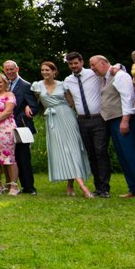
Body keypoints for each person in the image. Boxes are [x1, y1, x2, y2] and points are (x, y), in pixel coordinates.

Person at [92, 55, 135, 199]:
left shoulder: (120, 76)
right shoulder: (106, 77)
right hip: (113, 120)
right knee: (123, 156)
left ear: (103, 63)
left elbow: (128, 98)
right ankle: (134, 189)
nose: (92, 68)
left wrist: (125, 120)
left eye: (94, 64)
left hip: (125, 119)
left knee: (131, 154)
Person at [33, 61, 93, 197]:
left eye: (47, 70)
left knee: (73, 150)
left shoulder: (63, 85)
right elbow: (35, 104)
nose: (44, 72)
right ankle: (73, 184)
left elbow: (71, 103)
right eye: (42, 70)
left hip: (67, 118)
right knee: (63, 151)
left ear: (54, 72)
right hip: (52, 120)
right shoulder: (37, 86)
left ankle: (78, 185)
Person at [64, 52, 112, 197]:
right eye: (70, 64)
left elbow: (111, 69)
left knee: (100, 151)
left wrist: (119, 66)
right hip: (82, 120)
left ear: (81, 62)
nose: (73, 66)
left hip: (99, 118)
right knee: (91, 153)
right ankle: (98, 187)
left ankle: (104, 188)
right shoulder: (68, 81)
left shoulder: (94, 74)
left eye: (75, 63)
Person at [2, 60, 40, 194]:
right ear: (4, 71)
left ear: (17, 69)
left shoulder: (25, 86)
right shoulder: (4, 86)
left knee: (23, 157)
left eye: (11, 69)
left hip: (21, 127)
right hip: (5, 128)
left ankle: (29, 187)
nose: (9, 72)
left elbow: (35, 107)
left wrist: (27, 109)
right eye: (7, 70)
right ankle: (13, 185)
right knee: (12, 158)